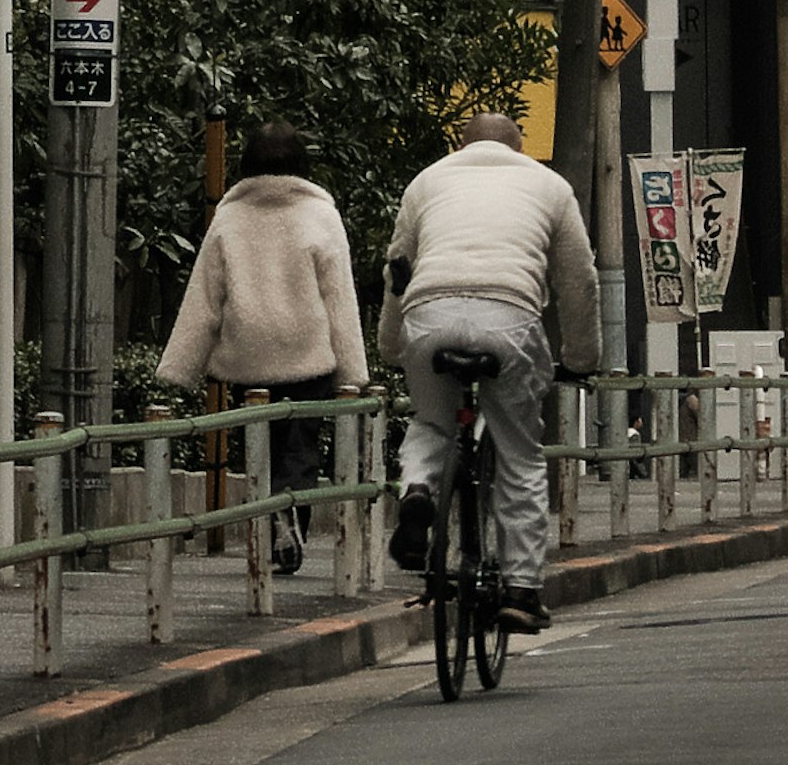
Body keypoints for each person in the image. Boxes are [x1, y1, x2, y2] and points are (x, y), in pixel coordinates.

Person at [379, 116, 600, 635]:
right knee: (519, 454)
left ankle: (417, 493)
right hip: (508, 319)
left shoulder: (428, 180)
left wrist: (392, 348)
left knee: (431, 424)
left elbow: (397, 271)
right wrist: (582, 358)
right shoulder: (549, 185)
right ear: (519, 148)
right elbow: (579, 280)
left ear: (462, 144)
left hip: (429, 313)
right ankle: (521, 589)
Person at [159, 124, 367, 579]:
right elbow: (340, 296)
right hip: (307, 348)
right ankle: (291, 512)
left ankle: (269, 515)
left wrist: (178, 368)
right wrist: (354, 371)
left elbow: (204, 296)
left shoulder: (230, 217)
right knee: (301, 446)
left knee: (259, 443)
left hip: (248, 350)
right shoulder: (320, 214)